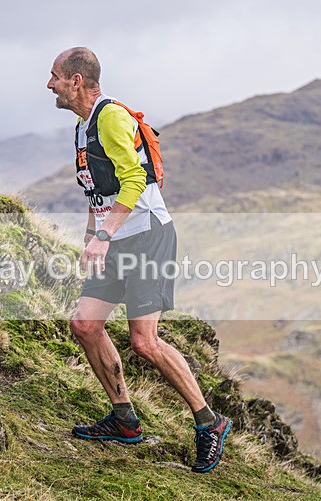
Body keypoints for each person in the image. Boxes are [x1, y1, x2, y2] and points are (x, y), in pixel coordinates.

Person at [46, 47, 231, 473]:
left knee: (144, 342)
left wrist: (105, 236)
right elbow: (97, 191)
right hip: (114, 240)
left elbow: (134, 180)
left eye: (55, 76)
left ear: (76, 80)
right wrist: (92, 238)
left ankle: (209, 422)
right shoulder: (81, 126)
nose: (49, 84)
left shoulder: (110, 117)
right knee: (85, 325)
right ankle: (125, 420)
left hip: (148, 236)